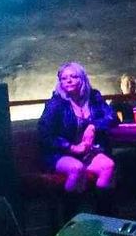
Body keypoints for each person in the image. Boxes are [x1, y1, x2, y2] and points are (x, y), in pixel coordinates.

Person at [38, 63, 117, 192]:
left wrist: (93, 126)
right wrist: (72, 147)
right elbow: (44, 134)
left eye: (73, 77)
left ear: (83, 79)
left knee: (108, 165)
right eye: (64, 78)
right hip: (59, 153)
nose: (68, 81)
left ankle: (100, 203)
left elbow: (112, 117)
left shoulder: (94, 97)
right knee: (77, 168)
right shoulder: (56, 103)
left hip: (88, 152)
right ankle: (70, 205)